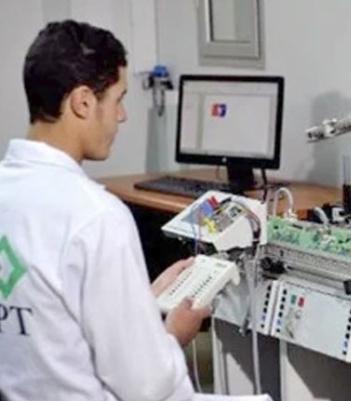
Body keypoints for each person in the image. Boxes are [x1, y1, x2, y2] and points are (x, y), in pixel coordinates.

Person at [0, 20, 265, 401]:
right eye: (118, 99)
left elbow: (50, 315)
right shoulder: (96, 216)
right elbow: (146, 387)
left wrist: (140, 300)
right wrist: (173, 334)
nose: (122, 116)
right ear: (83, 102)